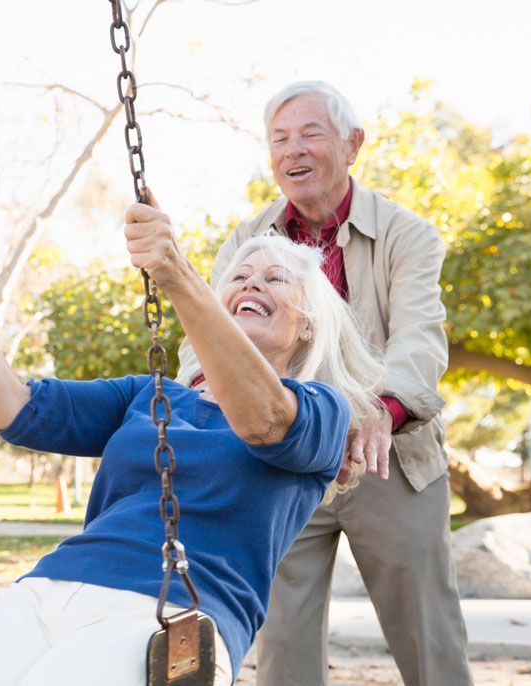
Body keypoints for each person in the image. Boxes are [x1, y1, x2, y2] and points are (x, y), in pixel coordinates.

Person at [0, 193, 383, 686]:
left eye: (274, 278)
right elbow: (14, 408)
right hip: (46, 590)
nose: (251, 280)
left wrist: (177, 275)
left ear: (309, 325)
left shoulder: (323, 409)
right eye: (238, 276)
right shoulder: (148, 395)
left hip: (168, 618)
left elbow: (264, 422)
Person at [175, 80, 473, 686]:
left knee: (428, 635)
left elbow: (419, 337)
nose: (294, 150)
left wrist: (380, 413)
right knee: (281, 637)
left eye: (311, 133)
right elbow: (207, 333)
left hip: (387, 452)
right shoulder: (248, 240)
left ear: (352, 144)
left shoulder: (407, 234)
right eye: (280, 138)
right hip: (283, 454)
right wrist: (211, 397)